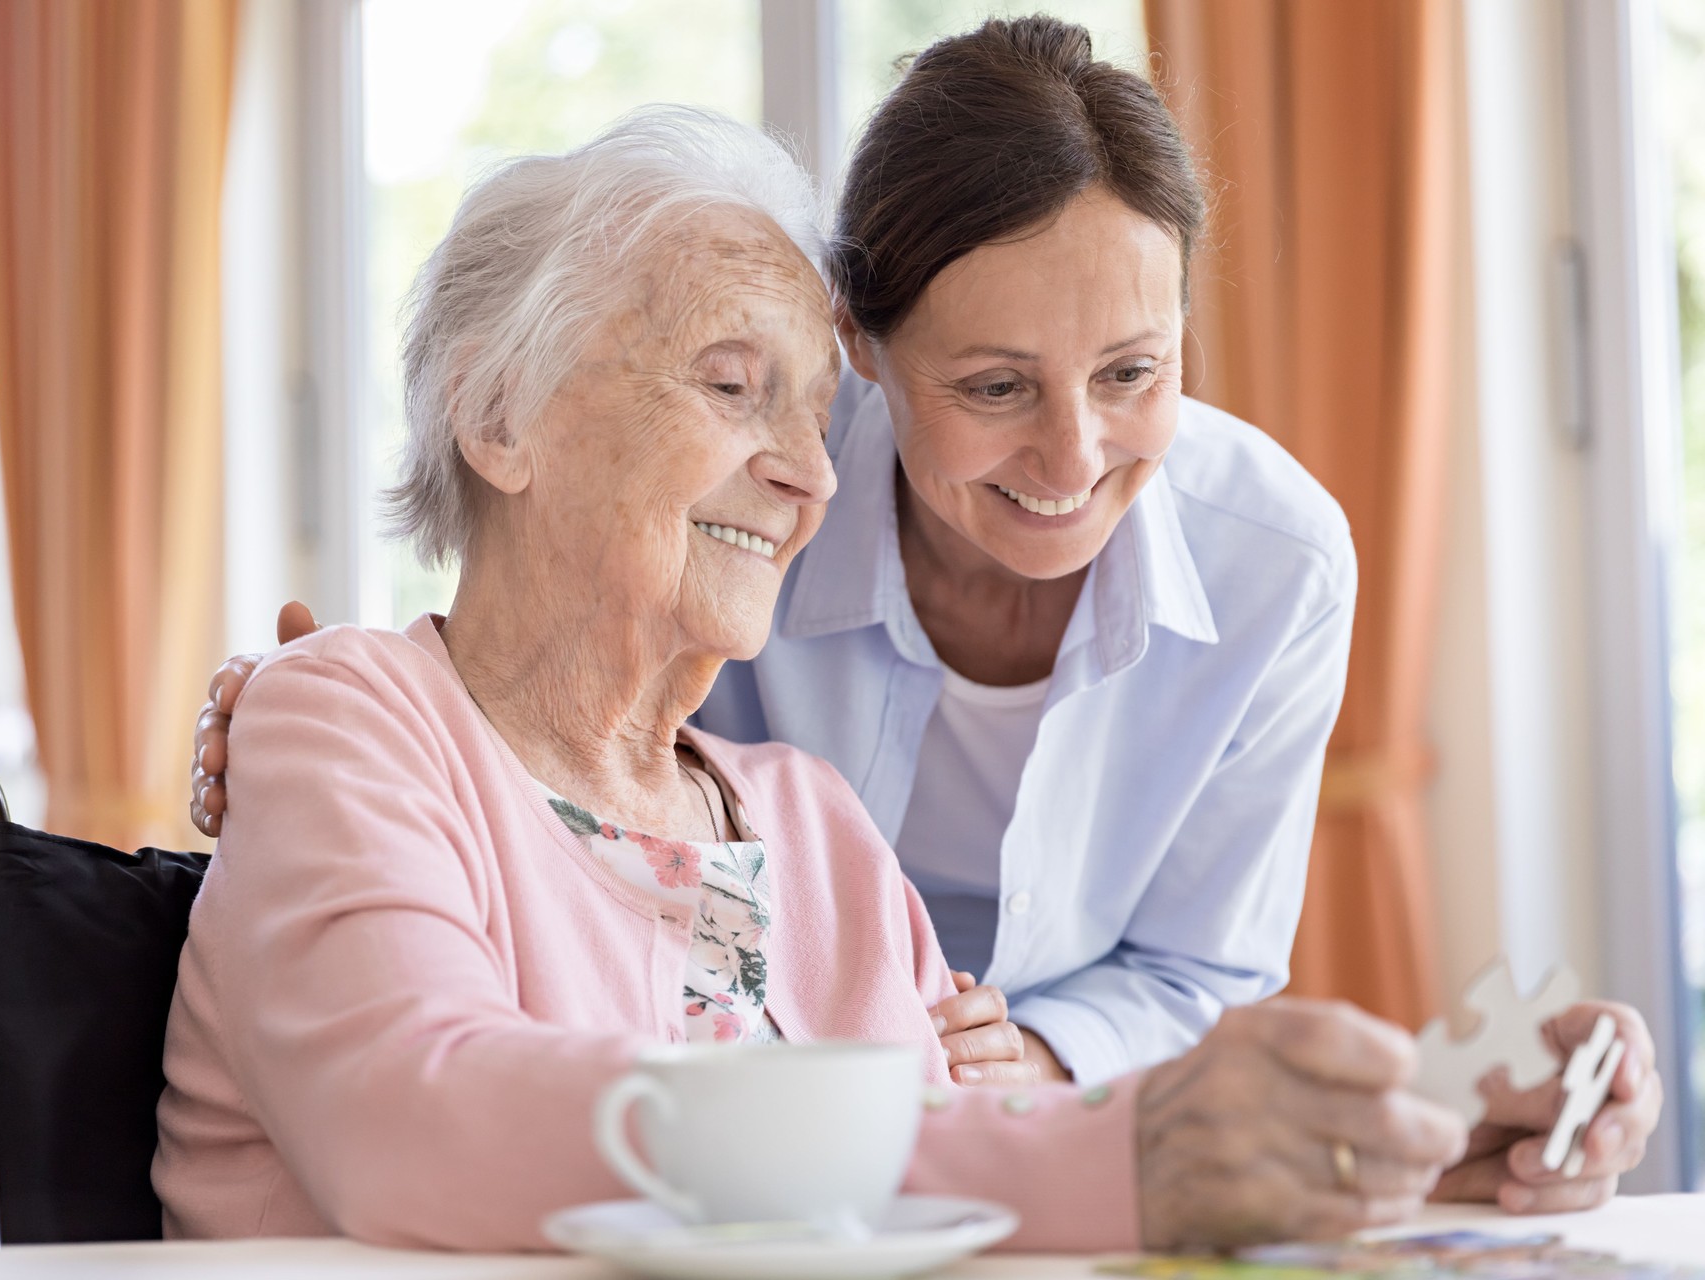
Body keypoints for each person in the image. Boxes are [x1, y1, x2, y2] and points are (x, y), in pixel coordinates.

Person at [156, 104, 1659, 1254]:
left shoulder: (804, 826)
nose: (808, 472)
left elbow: (989, 1153)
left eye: (817, 414)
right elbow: (423, 1122)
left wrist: (1377, 1147)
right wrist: (1104, 1159)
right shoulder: (353, 721)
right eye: (733, 385)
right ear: (498, 415)